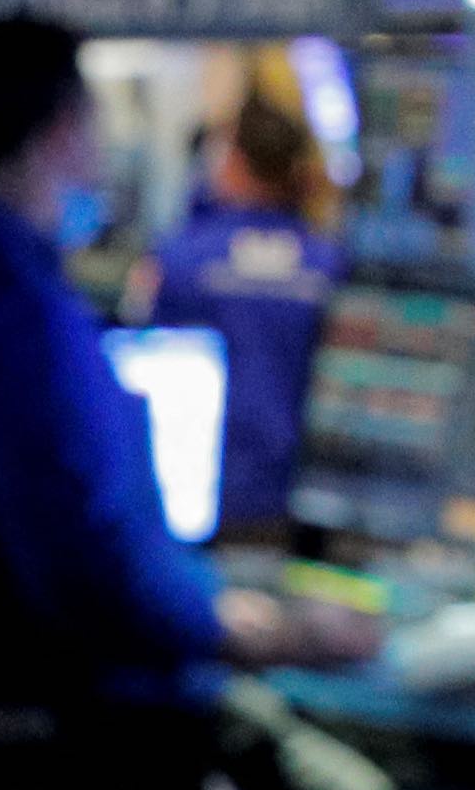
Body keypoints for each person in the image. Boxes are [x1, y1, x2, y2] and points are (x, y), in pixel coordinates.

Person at [0, 18, 360, 790]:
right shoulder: (15, 306)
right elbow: (87, 563)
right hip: (66, 728)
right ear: (64, 129)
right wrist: (248, 630)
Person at [147, 91, 344, 543]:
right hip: (303, 503)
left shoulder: (181, 260)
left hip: (202, 501)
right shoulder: (330, 265)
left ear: (235, 159)